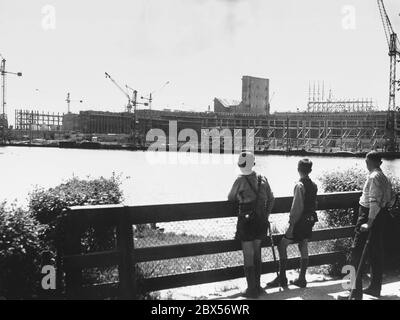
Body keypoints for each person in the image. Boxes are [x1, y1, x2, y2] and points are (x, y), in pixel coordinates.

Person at [338, 151, 393, 300]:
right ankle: (375, 288)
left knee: (355, 253)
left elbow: (374, 202)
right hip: (380, 216)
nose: (366, 164)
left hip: (368, 216)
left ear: (369, 161)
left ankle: (355, 293)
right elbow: (391, 199)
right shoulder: (384, 177)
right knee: (376, 253)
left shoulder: (373, 177)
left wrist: (368, 222)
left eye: (366, 161)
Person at [228, 151, 275, 298]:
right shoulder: (263, 178)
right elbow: (272, 198)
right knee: (257, 253)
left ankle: (251, 290)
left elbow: (230, 198)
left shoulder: (240, 180)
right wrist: (266, 214)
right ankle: (258, 286)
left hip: (247, 221)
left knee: (248, 255)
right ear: (253, 164)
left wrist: (242, 196)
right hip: (261, 220)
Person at [267, 159, 318, 289]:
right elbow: (314, 203)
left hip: (300, 221)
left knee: (282, 245)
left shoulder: (299, 185)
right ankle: (302, 278)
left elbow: (297, 207)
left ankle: (282, 277)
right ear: (310, 170)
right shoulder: (314, 185)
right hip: (310, 219)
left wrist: (291, 224)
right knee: (303, 245)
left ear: (298, 169)